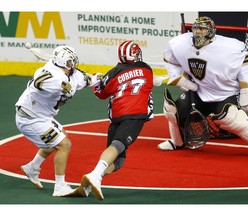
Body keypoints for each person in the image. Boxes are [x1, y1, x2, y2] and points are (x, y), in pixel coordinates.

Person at [157, 16, 248, 160]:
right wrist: (183, 81)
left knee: (231, 118)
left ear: (211, 31)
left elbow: (246, 67)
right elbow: (171, 60)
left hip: (226, 93)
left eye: (203, 29)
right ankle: (177, 142)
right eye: (196, 28)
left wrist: (247, 92)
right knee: (172, 111)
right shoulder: (179, 43)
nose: (198, 32)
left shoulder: (229, 48)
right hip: (200, 91)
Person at [15, 45, 102, 196]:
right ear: (63, 62)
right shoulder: (47, 72)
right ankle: (60, 186)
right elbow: (38, 82)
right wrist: (60, 85)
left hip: (43, 117)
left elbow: (87, 79)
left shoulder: (73, 74)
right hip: (29, 118)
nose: (73, 64)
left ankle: (32, 168)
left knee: (60, 136)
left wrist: (99, 78)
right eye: (70, 61)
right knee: (64, 144)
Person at [77, 40, 154, 200]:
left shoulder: (114, 72)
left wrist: (95, 82)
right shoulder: (146, 68)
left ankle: (92, 179)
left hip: (117, 115)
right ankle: (95, 176)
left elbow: (101, 94)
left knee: (119, 161)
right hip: (134, 114)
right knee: (118, 145)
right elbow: (148, 82)